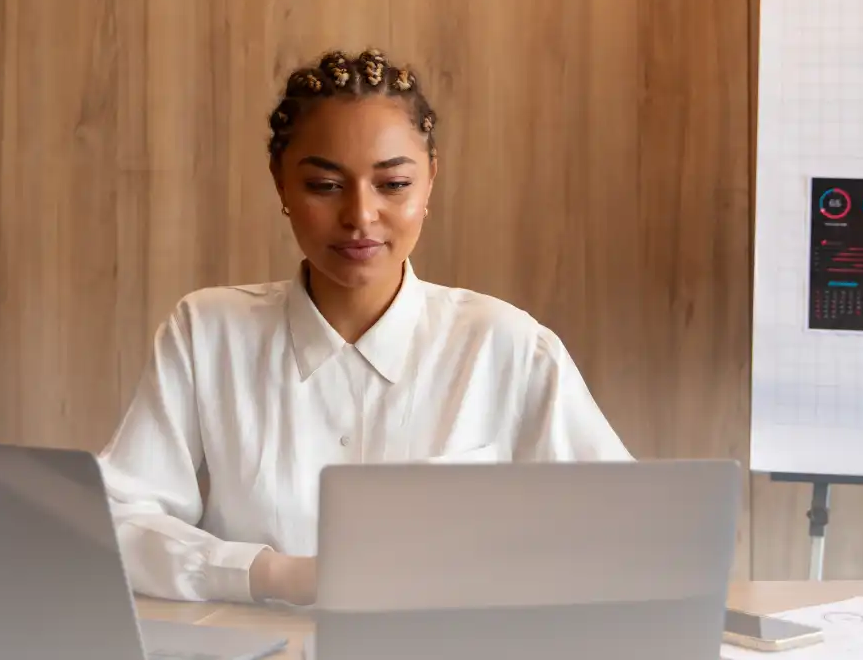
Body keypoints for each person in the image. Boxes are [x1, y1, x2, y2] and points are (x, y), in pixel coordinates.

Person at [95, 48, 633, 608]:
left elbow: (623, 531)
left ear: (429, 183)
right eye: (325, 186)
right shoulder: (206, 333)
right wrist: (274, 575)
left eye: (393, 184)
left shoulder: (508, 346)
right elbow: (119, 518)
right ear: (280, 185)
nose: (360, 216)